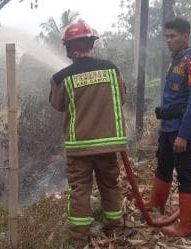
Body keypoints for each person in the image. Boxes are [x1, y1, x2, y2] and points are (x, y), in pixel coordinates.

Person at [48, 19, 127, 247]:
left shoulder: (61, 78)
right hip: (109, 143)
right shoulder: (112, 70)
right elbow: (121, 99)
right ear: (91, 43)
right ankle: (115, 229)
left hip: (79, 146)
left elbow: (58, 105)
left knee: (80, 191)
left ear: (69, 48)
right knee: (110, 185)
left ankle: (79, 240)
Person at [142, 17, 191, 237]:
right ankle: (156, 204)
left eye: (172, 36)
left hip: (181, 129)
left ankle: (187, 225)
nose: (168, 40)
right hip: (168, 126)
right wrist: (164, 126)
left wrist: (184, 135)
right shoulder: (176, 60)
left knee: (185, 174)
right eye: (166, 36)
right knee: (164, 165)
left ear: (185, 37)